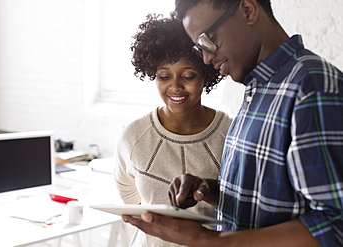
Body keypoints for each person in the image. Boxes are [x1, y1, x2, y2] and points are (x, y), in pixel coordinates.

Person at [121, 0, 343, 246]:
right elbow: (266, 204)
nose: (206, 58)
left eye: (208, 39)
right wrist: (208, 190)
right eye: (199, 47)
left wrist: (207, 239)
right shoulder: (260, 88)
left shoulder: (313, 87)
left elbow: (336, 225)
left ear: (248, 10)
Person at [114, 14, 232, 246]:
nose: (175, 86)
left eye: (188, 76)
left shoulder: (230, 133)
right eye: (164, 76)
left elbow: (240, 205)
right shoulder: (133, 135)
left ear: (205, 76)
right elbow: (129, 196)